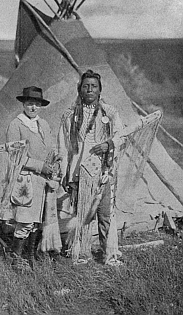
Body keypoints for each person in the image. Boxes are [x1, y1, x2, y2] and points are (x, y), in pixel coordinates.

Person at [57, 69, 124, 265]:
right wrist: (64, 173)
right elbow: (62, 146)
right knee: (83, 214)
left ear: (99, 90)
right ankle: (81, 253)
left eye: (93, 86)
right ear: (79, 90)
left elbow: (121, 136)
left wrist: (108, 144)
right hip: (79, 173)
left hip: (103, 172)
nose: (89, 90)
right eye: (85, 86)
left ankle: (110, 255)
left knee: (105, 215)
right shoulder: (69, 115)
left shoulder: (109, 112)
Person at [5, 86, 61, 269]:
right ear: (23, 104)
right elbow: (15, 155)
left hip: (42, 180)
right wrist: (40, 166)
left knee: (36, 221)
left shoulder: (43, 124)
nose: (33, 107)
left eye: (36, 104)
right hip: (25, 179)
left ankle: (31, 255)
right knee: (25, 220)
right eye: (30, 103)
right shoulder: (16, 124)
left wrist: (55, 160)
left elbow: (50, 147)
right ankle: (16, 257)